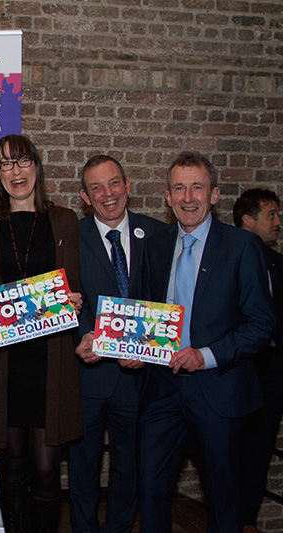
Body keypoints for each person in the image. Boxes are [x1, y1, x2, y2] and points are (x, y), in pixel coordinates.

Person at [138, 152, 274, 533]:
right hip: (162, 387)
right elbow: (146, 312)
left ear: (214, 194)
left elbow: (261, 324)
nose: (188, 197)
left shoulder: (242, 247)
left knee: (223, 495)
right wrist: (132, 348)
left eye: (197, 186)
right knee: (149, 487)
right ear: (167, 196)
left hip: (218, 389)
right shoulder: (156, 246)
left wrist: (206, 356)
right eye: (179, 188)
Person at [0, 134, 82, 533]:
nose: (15, 171)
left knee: (48, 469)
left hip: (51, 359)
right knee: (12, 464)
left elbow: (76, 283)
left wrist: (74, 298)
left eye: (22, 161)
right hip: (5, 360)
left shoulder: (65, 220)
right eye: (5, 164)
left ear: (36, 165)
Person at [69, 155, 167, 533]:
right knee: (82, 467)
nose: (107, 194)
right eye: (96, 187)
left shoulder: (158, 234)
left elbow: (165, 299)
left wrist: (147, 347)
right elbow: (65, 296)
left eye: (113, 183)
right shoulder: (70, 236)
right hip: (87, 375)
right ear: (84, 196)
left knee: (131, 465)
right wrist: (82, 335)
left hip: (139, 379)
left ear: (128, 186)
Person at [234, 188, 283, 533]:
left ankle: (248, 520)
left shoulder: (279, 264)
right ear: (247, 221)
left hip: (273, 374)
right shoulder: (228, 259)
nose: (277, 223)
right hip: (238, 371)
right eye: (271, 215)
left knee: (260, 451)